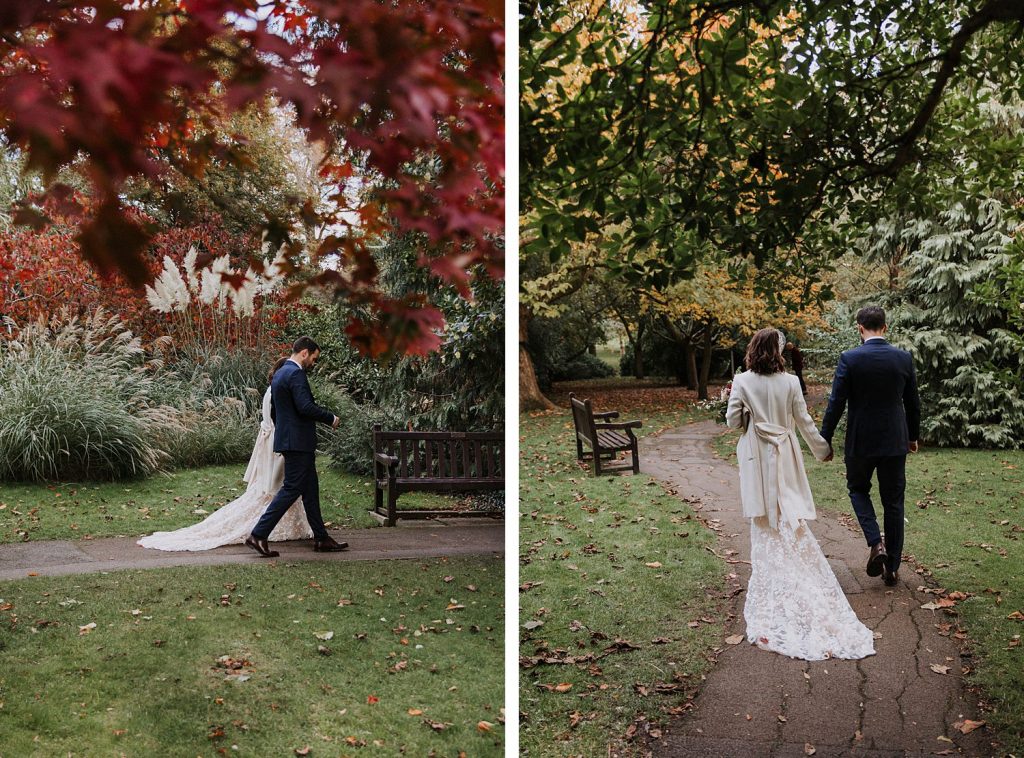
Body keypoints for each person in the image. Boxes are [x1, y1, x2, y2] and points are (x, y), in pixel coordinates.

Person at [726, 328, 874, 660]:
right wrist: (822, 450)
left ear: (753, 350)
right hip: (785, 455)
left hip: (757, 456)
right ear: (778, 352)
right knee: (788, 513)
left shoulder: (742, 381)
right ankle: (796, 574)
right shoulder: (791, 382)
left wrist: (744, 410)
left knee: (765, 518)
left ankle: (775, 579)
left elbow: (733, 422)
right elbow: (805, 422)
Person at [138, 357, 314, 552]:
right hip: (281, 443)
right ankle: (259, 532)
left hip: (275, 442)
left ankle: (310, 533)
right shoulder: (277, 392)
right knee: (278, 489)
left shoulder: (270, 390)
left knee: (287, 486)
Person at [820, 306, 920, 587]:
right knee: (894, 502)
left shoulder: (850, 359)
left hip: (860, 440)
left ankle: (876, 543)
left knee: (857, 489)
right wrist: (912, 436)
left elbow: (836, 402)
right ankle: (892, 568)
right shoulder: (903, 358)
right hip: (894, 441)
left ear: (859, 328)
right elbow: (913, 403)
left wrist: (824, 438)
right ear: (885, 327)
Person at [245, 336, 348, 557]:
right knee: (292, 488)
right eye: (314, 358)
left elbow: (276, 411)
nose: (313, 362)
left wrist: (284, 433)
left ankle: (321, 538)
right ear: (304, 353)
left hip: (290, 440)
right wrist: (330, 418)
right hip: (298, 442)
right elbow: (305, 407)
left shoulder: (280, 374)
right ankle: (258, 534)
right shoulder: (296, 373)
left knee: (310, 490)